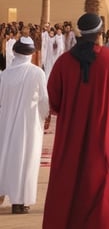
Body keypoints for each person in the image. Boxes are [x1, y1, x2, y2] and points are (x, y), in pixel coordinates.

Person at [42, 13, 109, 229]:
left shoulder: (64, 62)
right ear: (100, 33)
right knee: (100, 185)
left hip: (70, 135)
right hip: (104, 135)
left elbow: (53, 100)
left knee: (68, 182)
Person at [0, 37, 49, 214]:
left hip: (5, 123)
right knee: (27, 160)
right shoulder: (37, 73)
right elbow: (44, 100)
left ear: (14, 52)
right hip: (29, 124)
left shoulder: (4, 74)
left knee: (6, 157)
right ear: (31, 54)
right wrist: (44, 116)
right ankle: (20, 202)